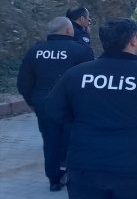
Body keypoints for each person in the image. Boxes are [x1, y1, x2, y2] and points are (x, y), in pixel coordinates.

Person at [46, 18, 137, 199]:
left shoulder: (76, 74)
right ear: (133, 41)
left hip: (85, 165)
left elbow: (54, 110)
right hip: (135, 168)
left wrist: (82, 121)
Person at [16, 17, 94, 192]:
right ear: (68, 30)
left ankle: (54, 180)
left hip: (44, 103)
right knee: (76, 141)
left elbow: (24, 82)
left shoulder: (35, 51)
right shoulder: (81, 51)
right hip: (73, 105)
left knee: (50, 142)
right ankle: (75, 176)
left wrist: (31, 101)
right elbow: (89, 80)